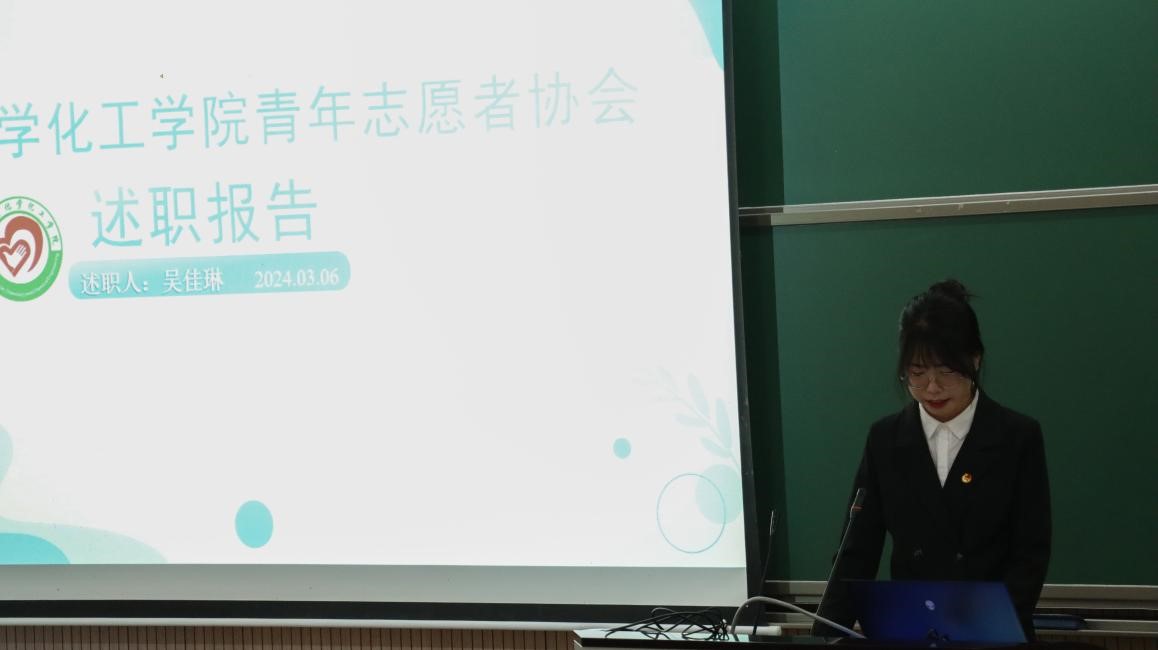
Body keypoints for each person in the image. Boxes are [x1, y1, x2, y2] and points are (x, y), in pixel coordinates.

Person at [812, 279, 1051, 640]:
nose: (932, 388)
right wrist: (823, 636)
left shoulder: (1016, 437)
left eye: (946, 371)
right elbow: (855, 553)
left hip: (993, 632)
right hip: (910, 632)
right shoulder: (886, 439)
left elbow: (1029, 554)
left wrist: (992, 628)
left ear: (974, 359)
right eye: (917, 373)